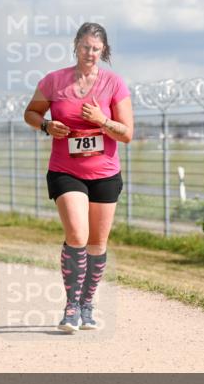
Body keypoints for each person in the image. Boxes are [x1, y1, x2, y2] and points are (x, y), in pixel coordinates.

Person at [22, 22, 134, 333]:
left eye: (96, 49)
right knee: (77, 235)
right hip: (66, 170)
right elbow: (30, 113)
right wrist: (46, 126)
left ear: (104, 51)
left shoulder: (114, 83)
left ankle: (87, 304)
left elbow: (127, 134)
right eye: (85, 47)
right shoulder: (54, 81)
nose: (90, 53)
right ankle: (71, 306)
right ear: (76, 45)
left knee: (97, 243)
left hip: (105, 173)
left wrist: (103, 120)